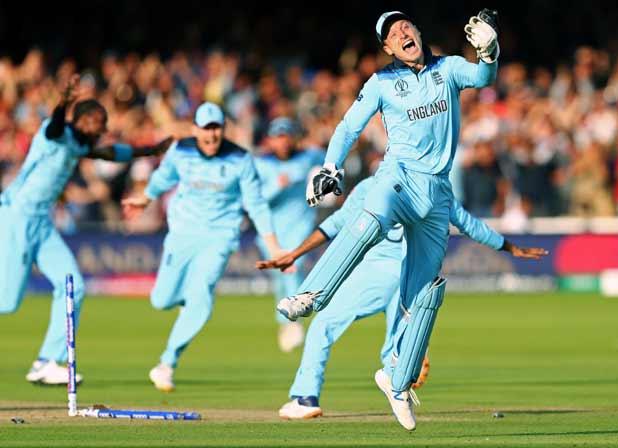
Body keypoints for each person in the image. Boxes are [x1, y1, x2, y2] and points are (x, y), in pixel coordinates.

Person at [275, 10, 504, 430]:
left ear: (418, 32)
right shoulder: (381, 82)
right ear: (387, 49)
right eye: (391, 34)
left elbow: (485, 78)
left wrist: (489, 50)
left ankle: (396, 382)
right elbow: (348, 127)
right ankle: (310, 295)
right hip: (397, 176)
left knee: (427, 295)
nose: (401, 33)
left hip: (436, 193)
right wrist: (331, 167)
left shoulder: (448, 69)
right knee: (370, 218)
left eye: (405, 26)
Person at [258, 177, 546, 420]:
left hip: (377, 273)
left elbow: (335, 225)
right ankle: (404, 373)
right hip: (413, 276)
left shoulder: (374, 185)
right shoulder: (436, 186)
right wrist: (509, 247)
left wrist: (295, 253)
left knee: (323, 325)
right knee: (392, 350)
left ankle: (306, 398)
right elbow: (468, 223)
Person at [0, 75, 172, 385]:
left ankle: (46, 362)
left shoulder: (80, 146)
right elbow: (54, 125)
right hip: (16, 216)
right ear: (77, 120)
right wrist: (64, 101)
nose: (98, 126)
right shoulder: (55, 134)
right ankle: (47, 361)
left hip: (42, 222)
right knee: (7, 302)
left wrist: (153, 150)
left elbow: (112, 153)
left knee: (73, 286)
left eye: (101, 122)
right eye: (92, 120)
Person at [122, 102, 284, 392]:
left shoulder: (240, 159)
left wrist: (274, 248)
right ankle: (188, 304)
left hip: (219, 237)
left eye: (216, 128)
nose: (211, 135)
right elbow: (163, 178)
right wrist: (145, 198)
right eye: (206, 129)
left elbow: (257, 205)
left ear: (223, 129)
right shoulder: (181, 150)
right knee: (161, 300)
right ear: (195, 129)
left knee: (201, 297)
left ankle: (166, 363)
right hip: (182, 233)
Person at [253, 117, 324, 352]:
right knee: (279, 278)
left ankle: (292, 322)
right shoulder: (262, 165)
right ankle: (285, 321)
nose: (283, 142)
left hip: (300, 227)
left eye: (287, 136)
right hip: (273, 232)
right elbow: (256, 201)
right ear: (271, 140)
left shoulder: (309, 157)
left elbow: (332, 160)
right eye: (278, 137)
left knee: (293, 269)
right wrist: (276, 186)